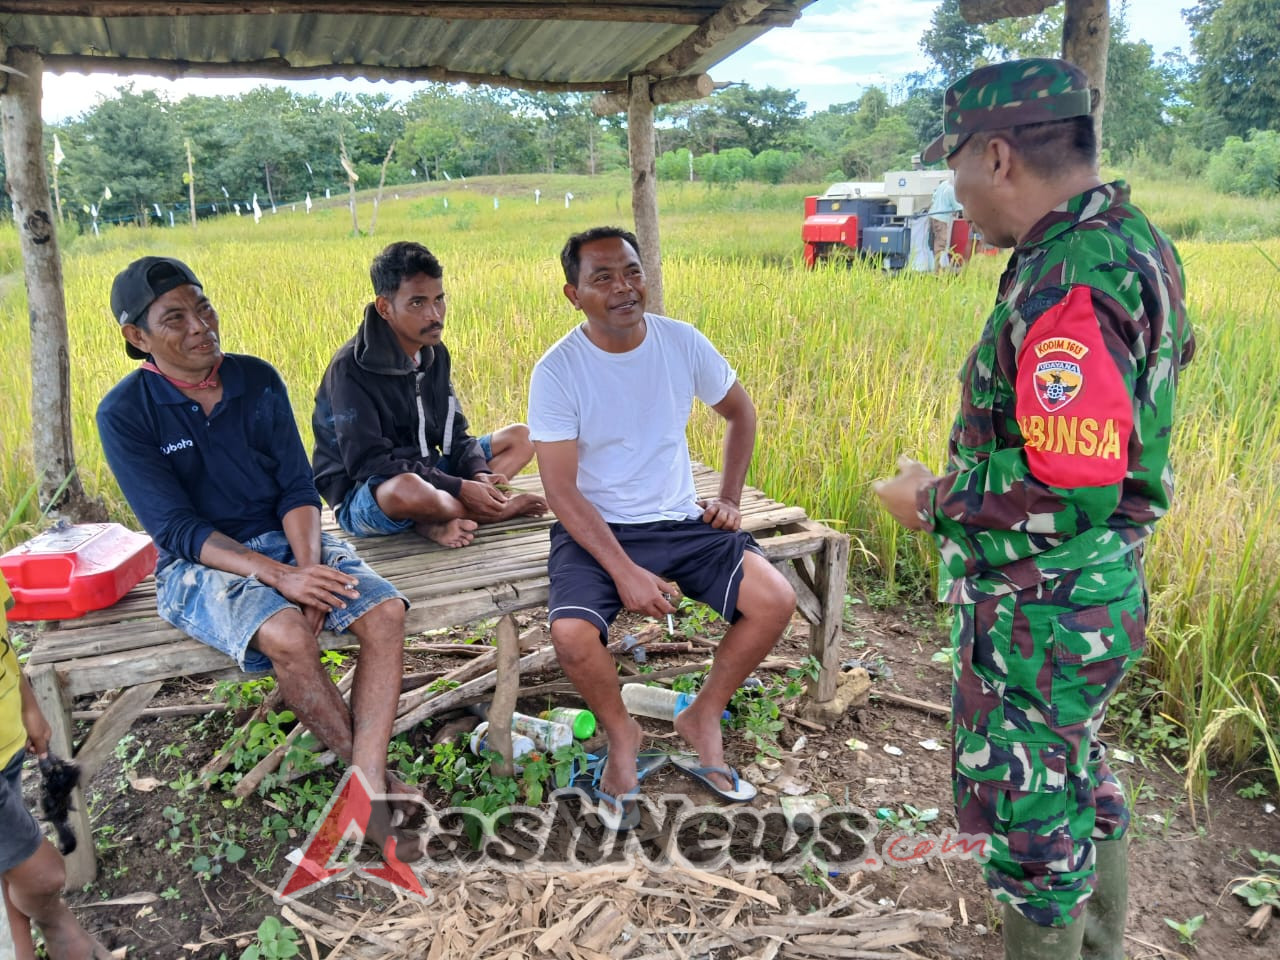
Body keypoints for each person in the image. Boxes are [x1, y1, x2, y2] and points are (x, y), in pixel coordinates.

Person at [873, 60, 1195, 960]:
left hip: (1043, 607)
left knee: (1030, 820)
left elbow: (1069, 481)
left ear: (1000, 155)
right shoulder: (1128, 238)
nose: (957, 190)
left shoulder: (1068, 278)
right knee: (1075, 776)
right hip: (1086, 597)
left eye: (956, 165)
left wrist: (928, 499)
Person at [96, 256, 416, 851]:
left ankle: (366, 783)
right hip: (199, 564)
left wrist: (306, 567)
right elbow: (176, 529)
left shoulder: (256, 379)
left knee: (385, 613)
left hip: (291, 538)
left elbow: (298, 488)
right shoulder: (124, 414)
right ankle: (373, 783)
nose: (200, 326)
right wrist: (282, 580)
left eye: (203, 306)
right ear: (137, 337)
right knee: (290, 635)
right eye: (175, 317)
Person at [529, 226, 796, 826]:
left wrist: (728, 497)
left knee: (775, 600)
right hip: (597, 528)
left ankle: (701, 714)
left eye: (631, 271)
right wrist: (624, 572)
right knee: (572, 636)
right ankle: (622, 736)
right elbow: (560, 492)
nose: (623, 288)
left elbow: (740, 413)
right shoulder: (559, 370)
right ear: (573, 294)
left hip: (681, 520)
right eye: (603, 278)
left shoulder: (681, 343)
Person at [313, 241, 546, 549]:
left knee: (522, 437)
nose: (435, 315)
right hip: (369, 492)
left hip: (430, 472)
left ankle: (440, 515)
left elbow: (457, 434)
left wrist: (477, 473)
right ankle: (492, 511)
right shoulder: (351, 368)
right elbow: (368, 464)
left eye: (439, 300)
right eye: (417, 304)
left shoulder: (433, 353)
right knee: (407, 491)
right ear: (385, 308)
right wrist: (459, 486)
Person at [1, 576, 103, 960]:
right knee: (43, 875)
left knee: (9, 870)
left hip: (7, 744)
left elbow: (5, 648)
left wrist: (28, 705)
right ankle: (61, 932)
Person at [928, 175, 962, 271]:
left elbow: (933, 198)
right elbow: (958, 207)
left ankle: (938, 265)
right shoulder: (951, 190)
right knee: (942, 242)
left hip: (933, 215)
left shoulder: (943, 184)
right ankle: (938, 268)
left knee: (935, 241)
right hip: (942, 218)